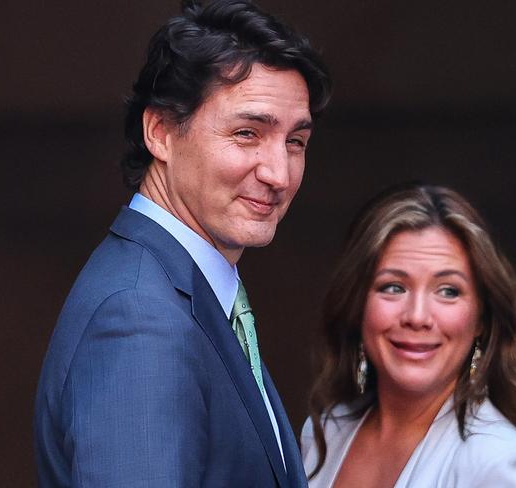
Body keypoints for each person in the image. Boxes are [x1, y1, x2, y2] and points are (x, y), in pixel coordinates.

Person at [33, 1, 331, 486]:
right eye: (246, 133)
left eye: (295, 142)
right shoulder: (138, 316)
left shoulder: (172, 289)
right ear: (161, 132)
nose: (278, 174)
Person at [301, 184, 516, 487]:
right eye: (393, 287)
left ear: (482, 320)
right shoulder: (325, 434)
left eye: (448, 291)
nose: (417, 317)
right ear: (357, 305)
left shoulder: (499, 464)